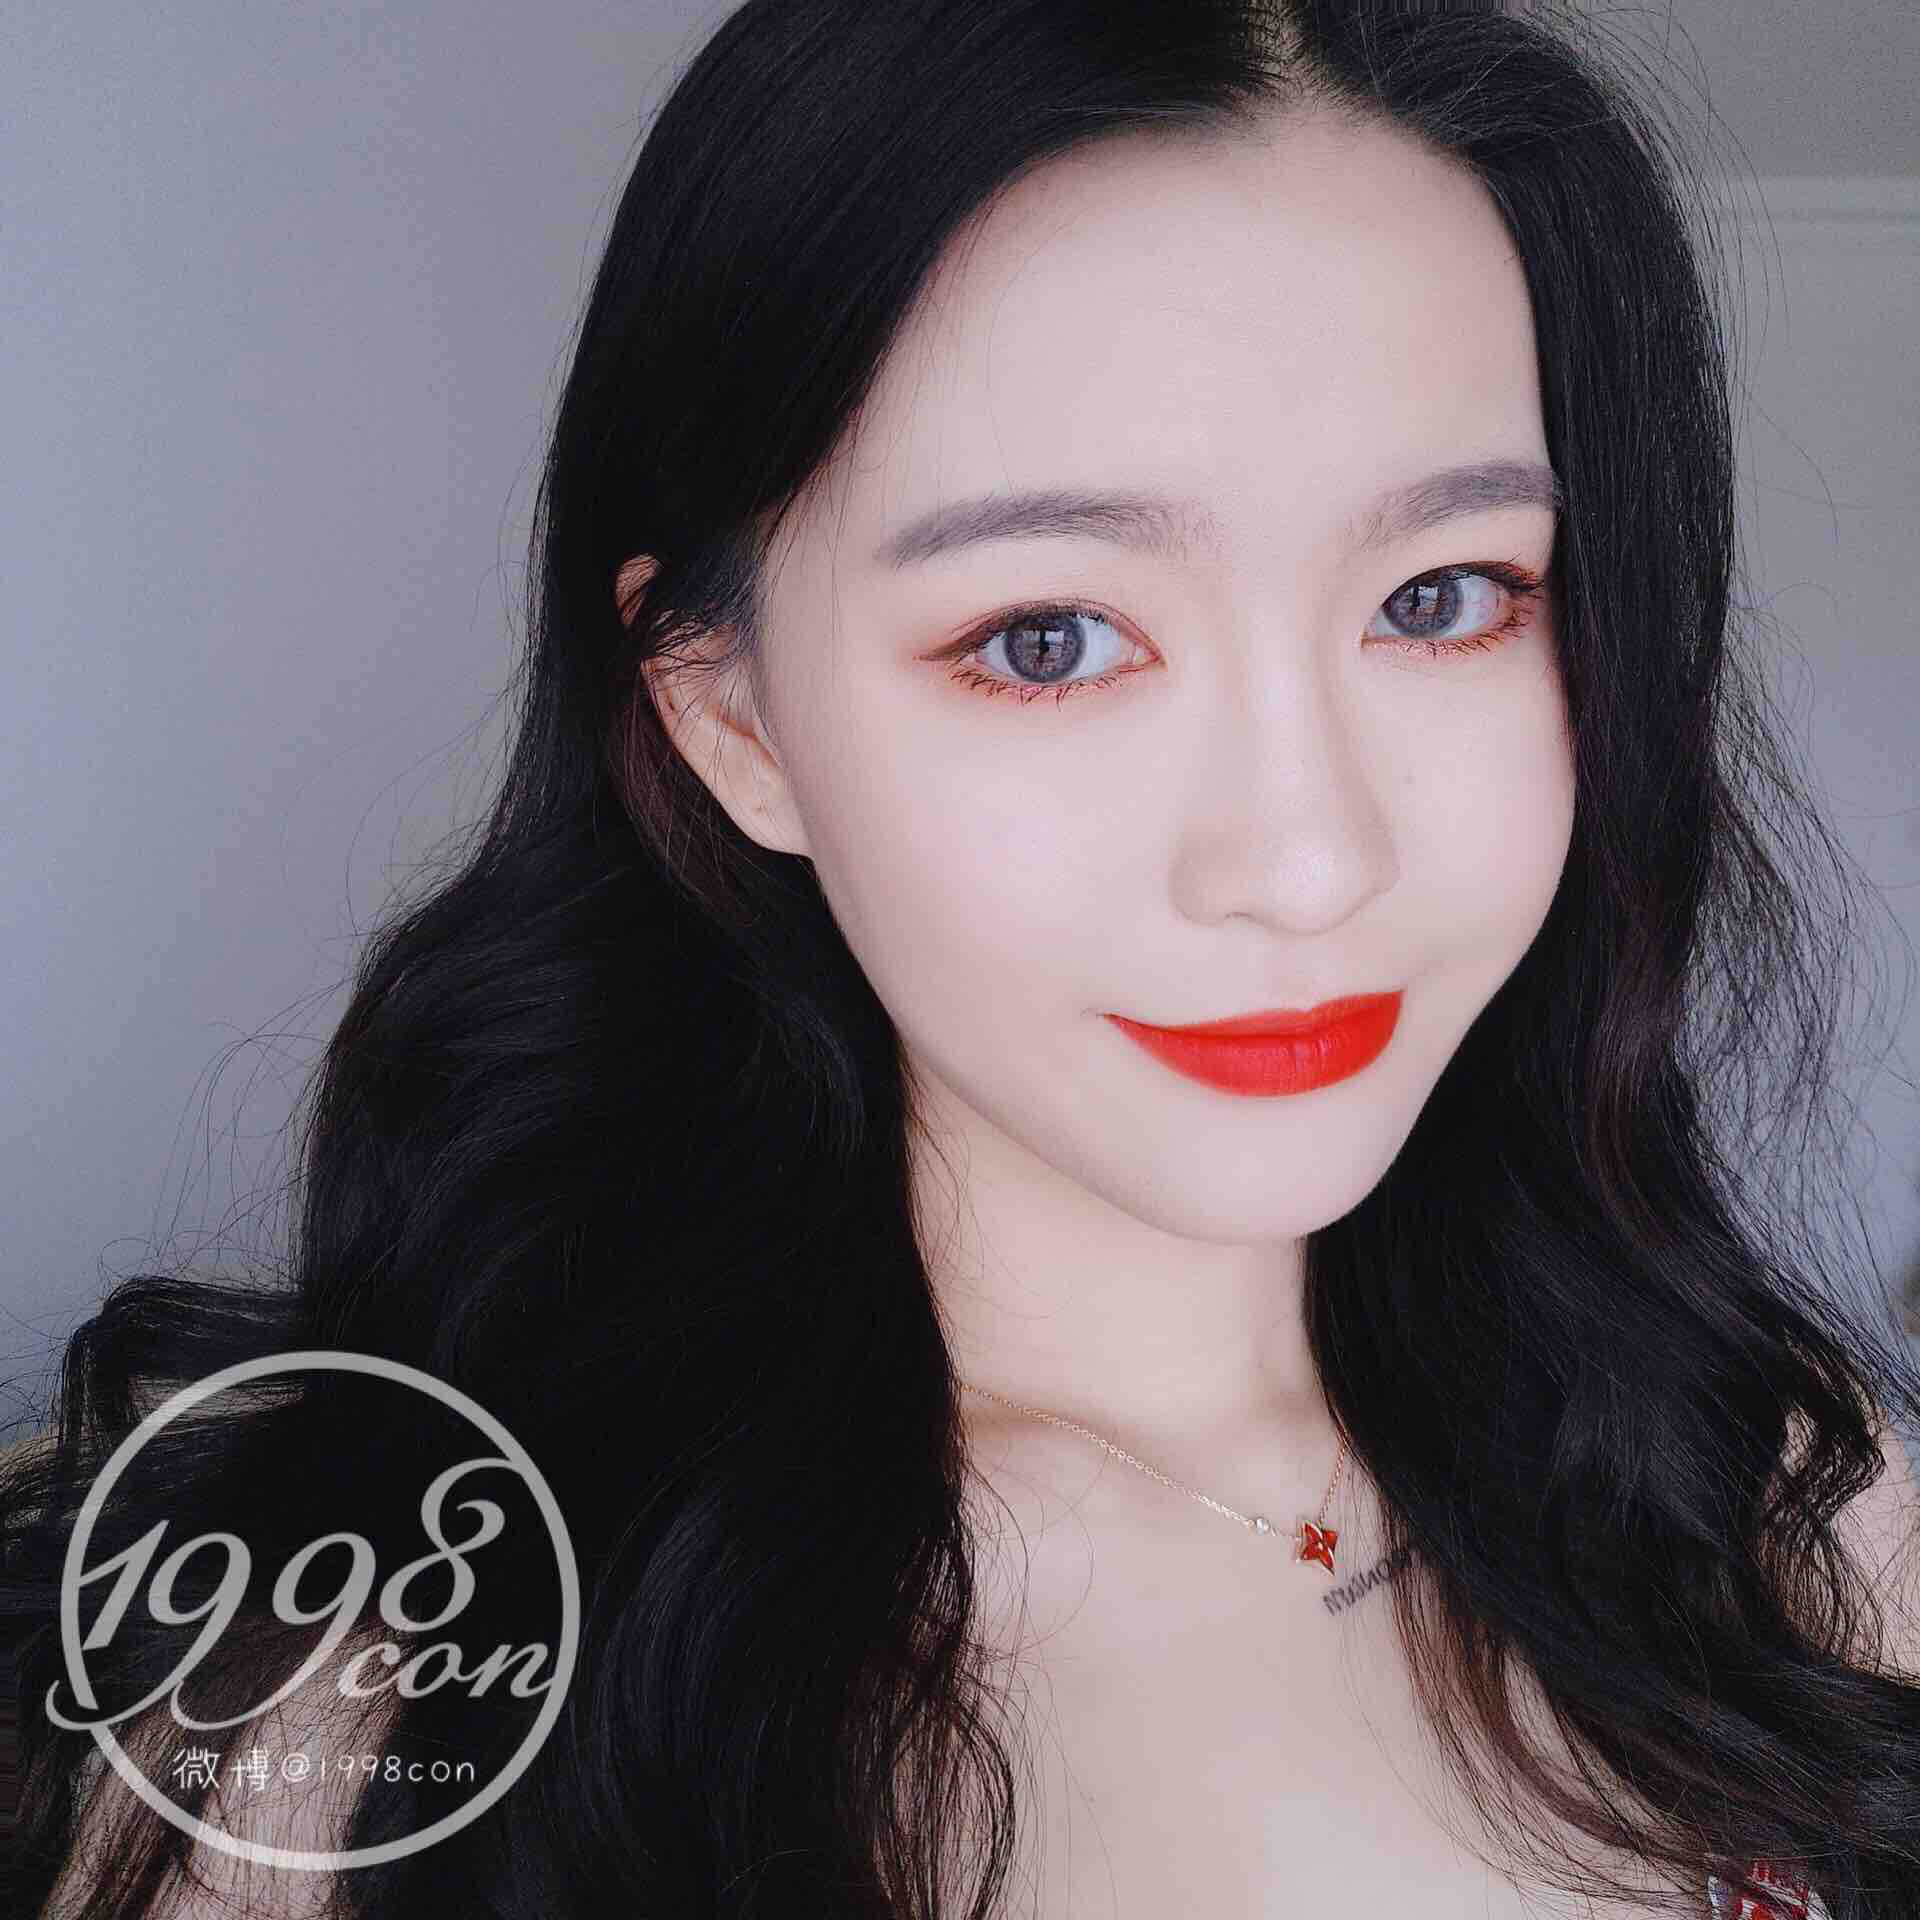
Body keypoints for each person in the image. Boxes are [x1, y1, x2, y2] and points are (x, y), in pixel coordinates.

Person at [5, 1, 1919, 1915]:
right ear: (729, 715)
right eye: (1046, 640)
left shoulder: (1797, 1510)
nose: (1308, 859)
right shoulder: (370, 1696)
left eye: (1441, 598)